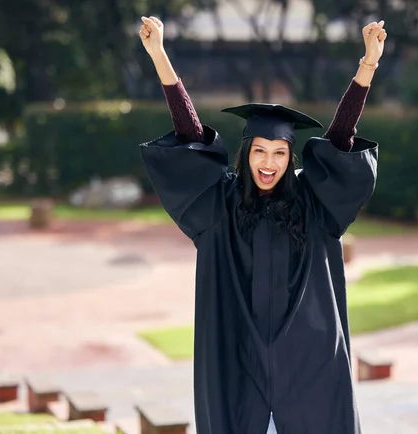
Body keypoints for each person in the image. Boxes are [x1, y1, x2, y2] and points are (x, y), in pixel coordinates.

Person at [138, 15, 386, 434]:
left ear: (292, 158)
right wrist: (160, 57)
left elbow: (341, 139)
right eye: (259, 151)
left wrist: (368, 66)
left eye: (279, 153)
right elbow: (191, 135)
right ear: (246, 153)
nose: (268, 163)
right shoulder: (221, 205)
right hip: (240, 364)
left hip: (308, 365)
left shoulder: (313, 204)